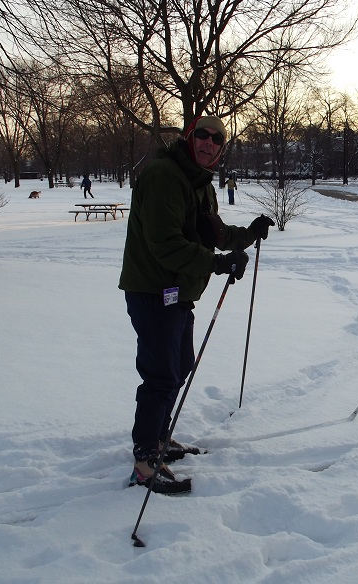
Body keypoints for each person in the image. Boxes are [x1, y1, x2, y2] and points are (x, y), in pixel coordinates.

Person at [119, 115, 274, 495]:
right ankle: (145, 462)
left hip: (177, 292)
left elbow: (211, 233)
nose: (209, 143)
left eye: (217, 140)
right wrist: (217, 264)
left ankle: (159, 439)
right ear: (189, 138)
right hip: (153, 290)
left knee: (179, 367)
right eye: (202, 135)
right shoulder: (164, 176)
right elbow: (166, 244)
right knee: (161, 375)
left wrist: (248, 235)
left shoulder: (199, 182)